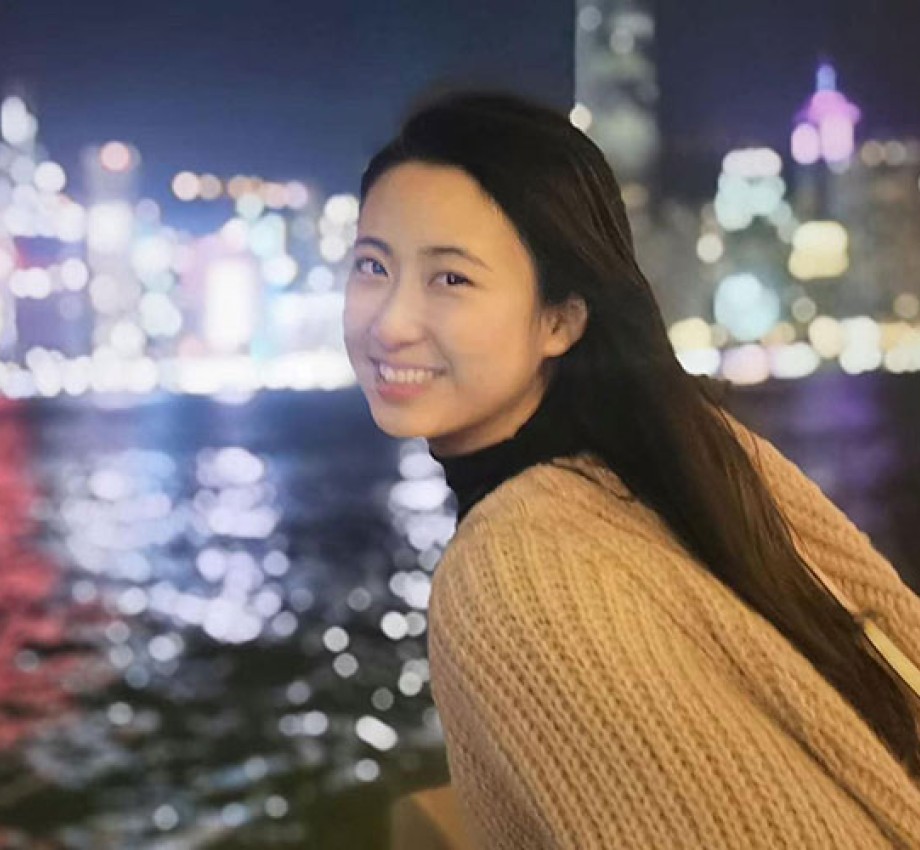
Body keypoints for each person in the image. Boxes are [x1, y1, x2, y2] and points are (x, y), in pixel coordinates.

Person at [342, 88, 920, 848]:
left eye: (451, 278)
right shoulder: (690, 460)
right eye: (372, 265)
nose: (389, 321)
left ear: (561, 319)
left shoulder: (513, 574)